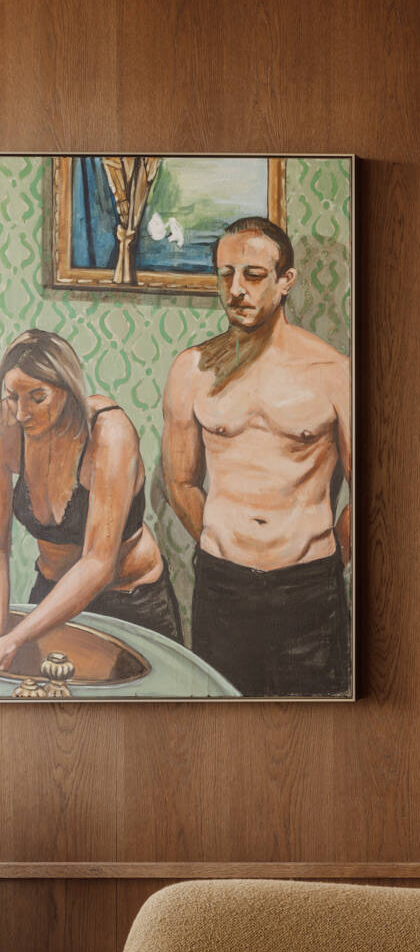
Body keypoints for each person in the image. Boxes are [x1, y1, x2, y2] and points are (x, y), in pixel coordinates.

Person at [162, 215, 352, 697]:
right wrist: (227, 543)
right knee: (222, 721)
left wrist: (324, 558)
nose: (236, 290)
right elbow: (180, 482)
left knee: (318, 733)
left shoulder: (333, 372)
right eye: (226, 274)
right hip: (222, 585)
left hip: (309, 587)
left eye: (253, 275)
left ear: (285, 281)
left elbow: (373, 492)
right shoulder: (193, 369)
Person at [0, 329, 182, 671]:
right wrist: (2, 636)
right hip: (51, 596)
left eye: (37, 397)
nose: (22, 412)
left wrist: (16, 637)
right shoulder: (5, 426)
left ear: (68, 389)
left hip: (131, 601)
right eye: (12, 397)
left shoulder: (108, 432)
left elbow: (99, 563)